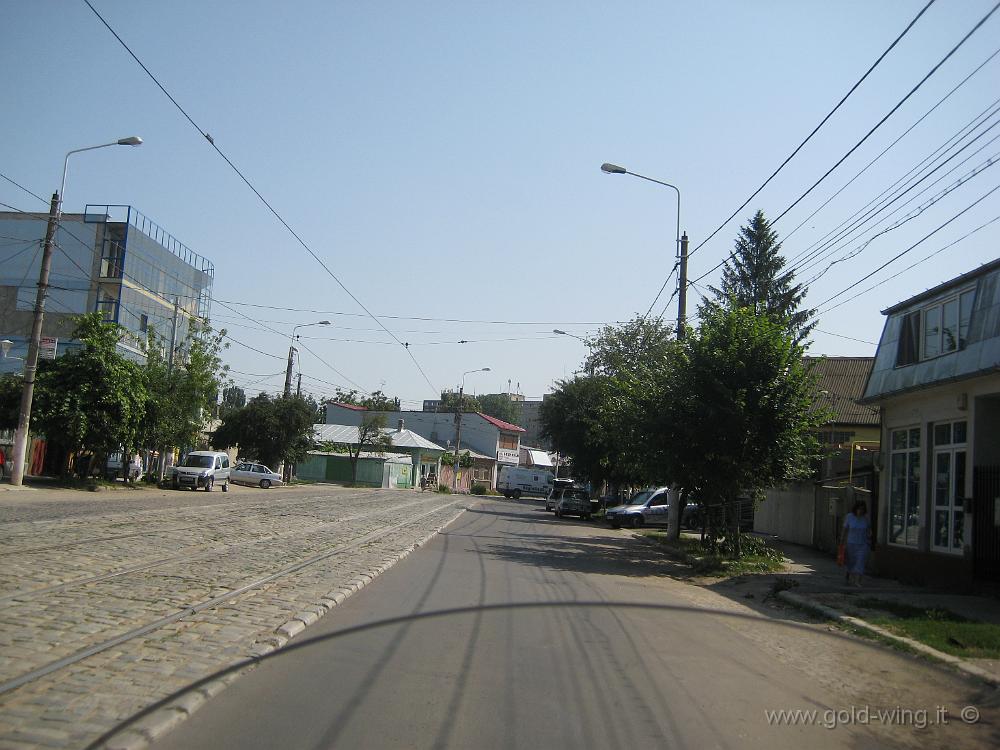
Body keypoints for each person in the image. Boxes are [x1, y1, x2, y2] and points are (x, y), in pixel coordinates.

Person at [840, 500, 872, 587]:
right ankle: (849, 574)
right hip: (851, 544)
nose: (860, 511)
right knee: (851, 562)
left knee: (860, 562)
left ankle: (857, 581)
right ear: (855, 509)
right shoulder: (849, 517)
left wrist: (869, 537)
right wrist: (842, 541)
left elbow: (869, 530)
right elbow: (845, 529)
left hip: (863, 544)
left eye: (862, 509)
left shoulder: (866, 518)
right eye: (858, 509)